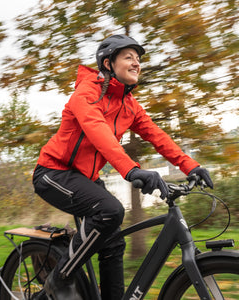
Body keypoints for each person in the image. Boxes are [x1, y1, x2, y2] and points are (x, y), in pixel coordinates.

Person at [32, 34, 213, 300]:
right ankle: (59, 279)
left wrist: (191, 166)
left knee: (114, 245)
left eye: (138, 59)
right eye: (129, 57)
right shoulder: (86, 93)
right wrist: (131, 170)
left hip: (86, 178)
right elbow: (98, 132)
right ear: (108, 63)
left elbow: (156, 135)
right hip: (53, 173)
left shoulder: (128, 105)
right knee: (110, 211)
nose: (136, 63)